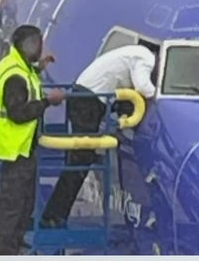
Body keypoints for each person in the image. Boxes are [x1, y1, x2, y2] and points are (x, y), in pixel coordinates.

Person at [40, 43, 158, 228]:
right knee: (79, 163)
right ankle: (53, 216)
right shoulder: (146, 60)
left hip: (83, 96)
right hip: (88, 102)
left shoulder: (133, 53)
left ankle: (54, 215)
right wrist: (159, 96)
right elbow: (144, 87)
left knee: (79, 160)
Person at [0, 25, 65, 255]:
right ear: (24, 45)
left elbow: (28, 77)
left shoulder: (18, 66)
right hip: (13, 153)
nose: (39, 48)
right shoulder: (15, 77)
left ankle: (14, 252)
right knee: (11, 213)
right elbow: (18, 113)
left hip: (22, 152)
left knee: (24, 207)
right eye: (35, 44)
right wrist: (49, 102)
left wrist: (40, 67)